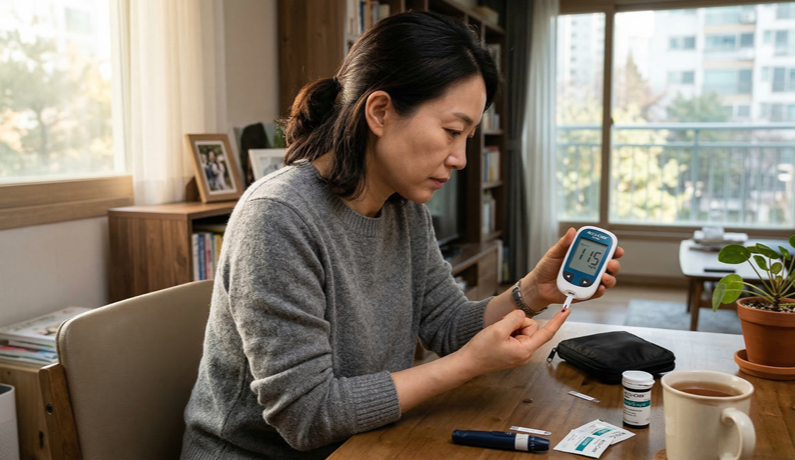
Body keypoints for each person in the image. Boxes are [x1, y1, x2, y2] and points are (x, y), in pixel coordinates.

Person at [180, 11, 623, 460]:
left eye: (468, 137)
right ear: (380, 112)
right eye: (452, 131)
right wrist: (467, 364)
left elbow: (448, 324)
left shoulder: (403, 208)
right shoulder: (277, 218)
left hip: (363, 441)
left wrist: (533, 291)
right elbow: (308, 416)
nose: (460, 158)